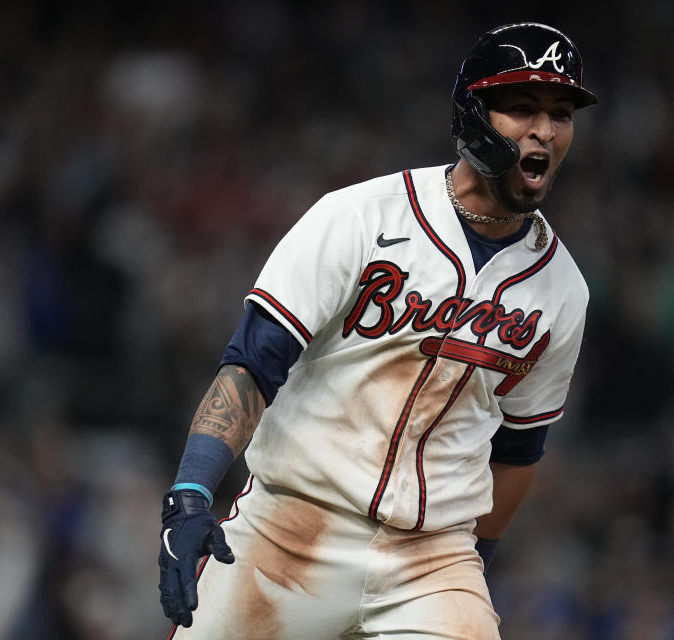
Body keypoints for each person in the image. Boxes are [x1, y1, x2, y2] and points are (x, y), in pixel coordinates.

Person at [158, 21, 598, 639]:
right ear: (472, 115)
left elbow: (519, 451)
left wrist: (476, 565)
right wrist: (191, 492)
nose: (545, 132)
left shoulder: (563, 289)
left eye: (562, 113)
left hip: (432, 560)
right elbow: (252, 364)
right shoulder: (360, 217)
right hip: (291, 529)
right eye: (522, 108)